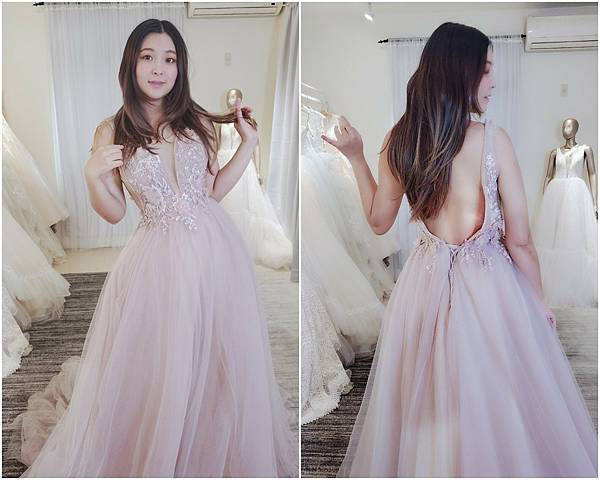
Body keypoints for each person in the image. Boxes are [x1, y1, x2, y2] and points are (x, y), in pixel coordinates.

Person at [8, 18, 297, 477]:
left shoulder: (197, 121)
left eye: (170, 59)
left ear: (180, 68)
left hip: (216, 248)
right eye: (148, 57)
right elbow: (113, 212)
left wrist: (249, 145)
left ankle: (209, 429)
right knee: (163, 355)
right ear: (132, 64)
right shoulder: (111, 129)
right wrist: (92, 174)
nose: (159, 68)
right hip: (158, 256)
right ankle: (164, 437)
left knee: (216, 348)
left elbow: (213, 190)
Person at [323, 22, 597, 478]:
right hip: (489, 288)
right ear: (459, 71)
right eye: (485, 69)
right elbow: (520, 241)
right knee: (498, 400)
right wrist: (538, 303)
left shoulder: (400, 140)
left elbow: (377, 221)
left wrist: (356, 157)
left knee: (429, 400)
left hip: (423, 286)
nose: (494, 80)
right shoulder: (493, 140)